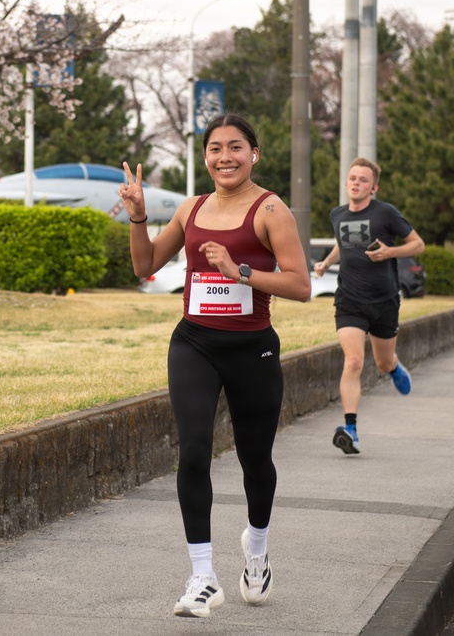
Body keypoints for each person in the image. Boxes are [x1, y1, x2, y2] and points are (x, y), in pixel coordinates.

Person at [119, 113, 311, 618]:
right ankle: (202, 577)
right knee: (194, 450)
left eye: (236, 148)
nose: (225, 157)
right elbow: (145, 267)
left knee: (255, 461)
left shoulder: (271, 210)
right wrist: (138, 216)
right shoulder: (192, 208)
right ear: (204, 157)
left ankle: (256, 546)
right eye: (215, 149)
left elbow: (301, 286)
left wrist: (240, 272)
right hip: (194, 344)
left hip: (253, 349)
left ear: (254, 154)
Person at [313, 157, 425, 455]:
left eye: (363, 180)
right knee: (354, 361)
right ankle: (350, 429)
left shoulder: (386, 213)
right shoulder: (337, 214)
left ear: (373, 187)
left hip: (384, 301)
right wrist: (326, 262)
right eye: (352, 178)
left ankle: (394, 367)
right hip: (349, 300)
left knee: (382, 361)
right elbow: (342, 242)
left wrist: (391, 252)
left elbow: (418, 245)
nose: (356, 183)